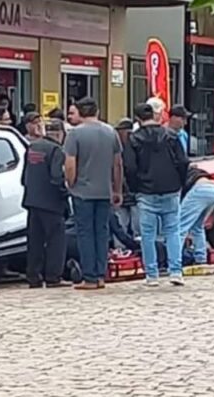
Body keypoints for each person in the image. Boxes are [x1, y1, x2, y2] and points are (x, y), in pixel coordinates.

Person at [124, 102, 189, 287]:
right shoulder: (171, 135)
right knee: (172, 231)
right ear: (155, 115)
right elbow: (183, 161)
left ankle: (151, 274)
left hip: (146, 191)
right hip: (171, 189)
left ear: (137, 119)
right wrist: (180, 183)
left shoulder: (134, 139)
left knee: (147, 234)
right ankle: (176, 271)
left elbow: (130, 166)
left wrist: (135, 187)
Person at [64, 97, 123, 290]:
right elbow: (117, 164)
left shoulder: (75, 135)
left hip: (82, 191)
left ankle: (89, 277)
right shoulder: (110, 132)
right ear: (97, 111)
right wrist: (117, 189)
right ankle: (100, 275)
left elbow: (70, 163)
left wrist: (70, 183)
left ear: (80, 113)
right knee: (102, 232)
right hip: (104, 191)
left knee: (85, 234)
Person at [21, 116, 69, 288]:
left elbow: (24, 176)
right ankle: (53, 276)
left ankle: (33, 276)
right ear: (59, 134)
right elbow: (57, 177)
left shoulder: (33, 147)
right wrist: (65, 193)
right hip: (51, 202)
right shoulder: (56, 150)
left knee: (35, 241)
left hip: (32, 200)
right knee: (56, 240)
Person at [179, 165, 214, 265]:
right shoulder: (193, 170)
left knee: (179, 227)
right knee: (197, 227)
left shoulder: (174, 171)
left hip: (199, 189)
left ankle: (174, 261)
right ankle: (201, 258)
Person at [115, 118, 139, 237]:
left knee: (122, 225)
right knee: (135, 226)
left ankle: (122, 249)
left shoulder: (122, 147)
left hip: (126, 190)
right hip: (130, 190)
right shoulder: (136, 145)